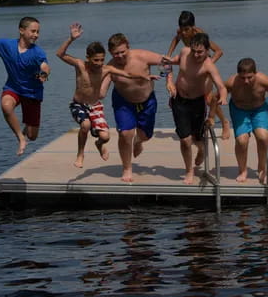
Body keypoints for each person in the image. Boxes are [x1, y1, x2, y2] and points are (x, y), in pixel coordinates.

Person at [56, 23, 156, 168]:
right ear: (88, 58)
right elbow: (60, 54)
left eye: (102, 60)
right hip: (79, 104)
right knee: (85, 125)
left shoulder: (105, 69)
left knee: (105, 137)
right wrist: (71, 39)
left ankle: (99, 144)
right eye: (96, 60)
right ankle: (80, 154)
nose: (99, 63)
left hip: (95, 106)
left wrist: (145, 76)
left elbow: (127, 73)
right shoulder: (80, 65)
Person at [0, 16, 50, 156]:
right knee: (6, 105)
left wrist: (44, 75)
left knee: (32, 136)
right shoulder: (7, 45)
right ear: (22, 30)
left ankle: (26, 132)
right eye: (33, 31)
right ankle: (20, 138)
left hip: (32, 92)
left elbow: (45, 67)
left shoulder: (37, 52)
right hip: (13, 88)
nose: (36, 35)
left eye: (38, 32)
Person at [208, 58, 268, 184]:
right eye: (243, 78)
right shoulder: (232, 82)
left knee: (263, 137)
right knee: (242, 141)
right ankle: (242, 170)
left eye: (250, 77)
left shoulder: (263, 80)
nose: (246, 81)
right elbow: (214, 98)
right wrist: (211, 117)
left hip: (259, 110)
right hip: (239, 110)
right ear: (238, 75)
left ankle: (261, 168)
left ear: (255, 73)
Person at [164, 33, 227, 185]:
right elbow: (167, 64)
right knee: (185, 140)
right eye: (194, 51)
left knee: (198, 139)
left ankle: (201, 150)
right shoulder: (185, 52)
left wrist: (223, 96)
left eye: (200, 52)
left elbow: (221, 85)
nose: (196, 55)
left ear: (207, 51)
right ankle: (189, 170)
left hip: (197, 103)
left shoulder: (208, 66)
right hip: (179, 101)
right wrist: (169, 81)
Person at [100, 33, 163, 183]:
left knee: (145, 135)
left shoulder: (142, 56)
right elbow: (102, 92)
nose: (120, 56)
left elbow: (165, 61)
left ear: (128, 46)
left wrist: (169, 82)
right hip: (124, 102)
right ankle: (127, 168)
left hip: (147, 101)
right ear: (110, 53)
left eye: (123, 51)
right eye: (116, 53)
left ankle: (138, 142)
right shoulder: (110, 67)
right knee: (125, 133)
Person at [166, 11, 231, 139]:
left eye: (186, 29)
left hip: (203, 64)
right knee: (182, 89)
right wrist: (169, 53)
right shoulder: (181, 33)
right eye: (181, 29)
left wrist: (207, 66)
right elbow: (176, 39)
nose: (184, 33)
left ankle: (224, 122)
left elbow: (219, 51)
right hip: (190, 61)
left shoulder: (200, 34)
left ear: (193, 27)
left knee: (208, 98)